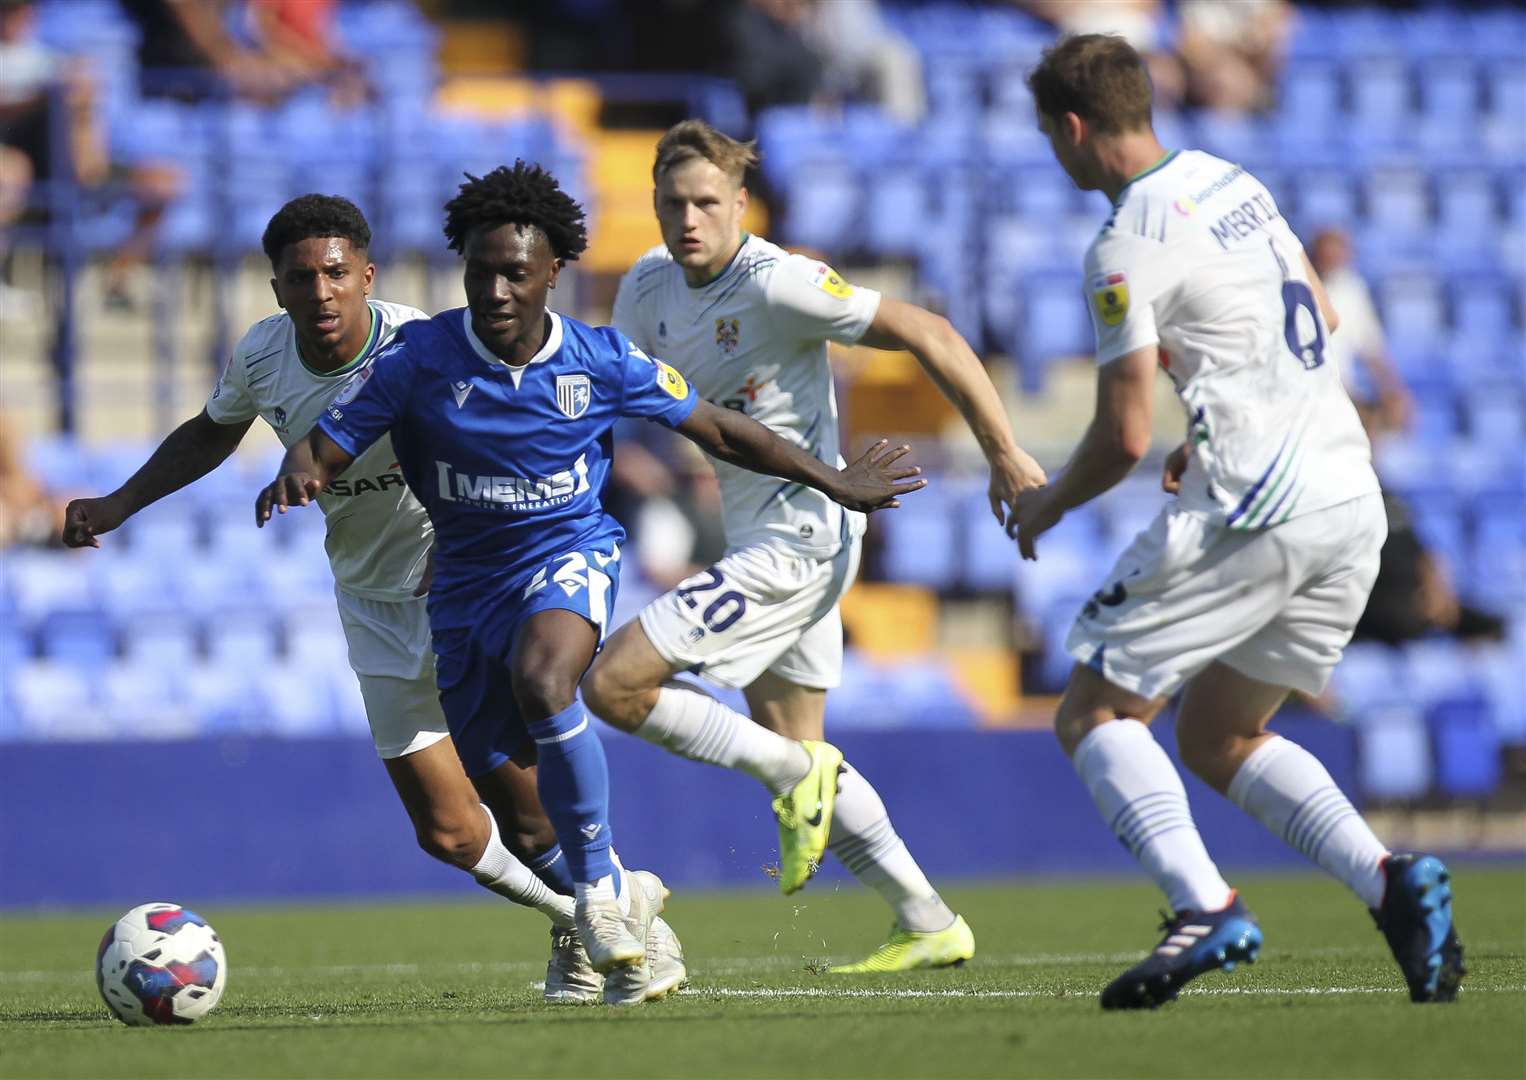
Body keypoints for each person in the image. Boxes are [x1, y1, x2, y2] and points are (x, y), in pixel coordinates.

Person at [256, 164, 923, 1002]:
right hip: (463, 584)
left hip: (567, 553)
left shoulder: (602, 359)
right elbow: (327, 442)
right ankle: (624, 899)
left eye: (515, 273)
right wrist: (298, 471)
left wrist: (831, 477)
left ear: (551, 273)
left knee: (546, 677)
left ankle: (602, 905)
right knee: (522, 818)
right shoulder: (419, 359)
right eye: (480, 271)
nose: (496, 290)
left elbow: (716, 426)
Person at [61, 194, 685, 1007]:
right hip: (371, 604)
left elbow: (527, 428)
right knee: (450, 832)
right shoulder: (262, 357)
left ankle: (610, 910)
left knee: (521, 797)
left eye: (334, 274)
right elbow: (213, 431)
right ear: (277, 289)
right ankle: (588, 911)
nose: (320, 292)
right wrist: (117, 503)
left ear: (365, 275)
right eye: (300, 278)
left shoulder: (423, 346)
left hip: (463, 580)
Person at [1008, 34, 1464, 1009]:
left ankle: (1201, 904)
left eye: (1050, 133)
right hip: (1349, 499)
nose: (1054, 151)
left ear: (1074, 128)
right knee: (1218, 733)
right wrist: (1220, 414)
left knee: (1094, 709)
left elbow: (1120, 436)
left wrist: (1043, 501)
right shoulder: (1229, 179)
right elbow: (1322, 327)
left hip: (1260, 503)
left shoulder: (1121, 241)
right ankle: (1388, 883)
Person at [582, 118, 1047, 973]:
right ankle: (927, 917)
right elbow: (606, 405)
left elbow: (930, 332)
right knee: (798, 747)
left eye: (707, 203)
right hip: (758, 531)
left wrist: (1005, 451)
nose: (689, 220)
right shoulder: (646, 287)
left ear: (740, 204)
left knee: (613, 684)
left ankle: (799, 781)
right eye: (673, 203)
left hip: (803, 537)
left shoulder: (779, 282)